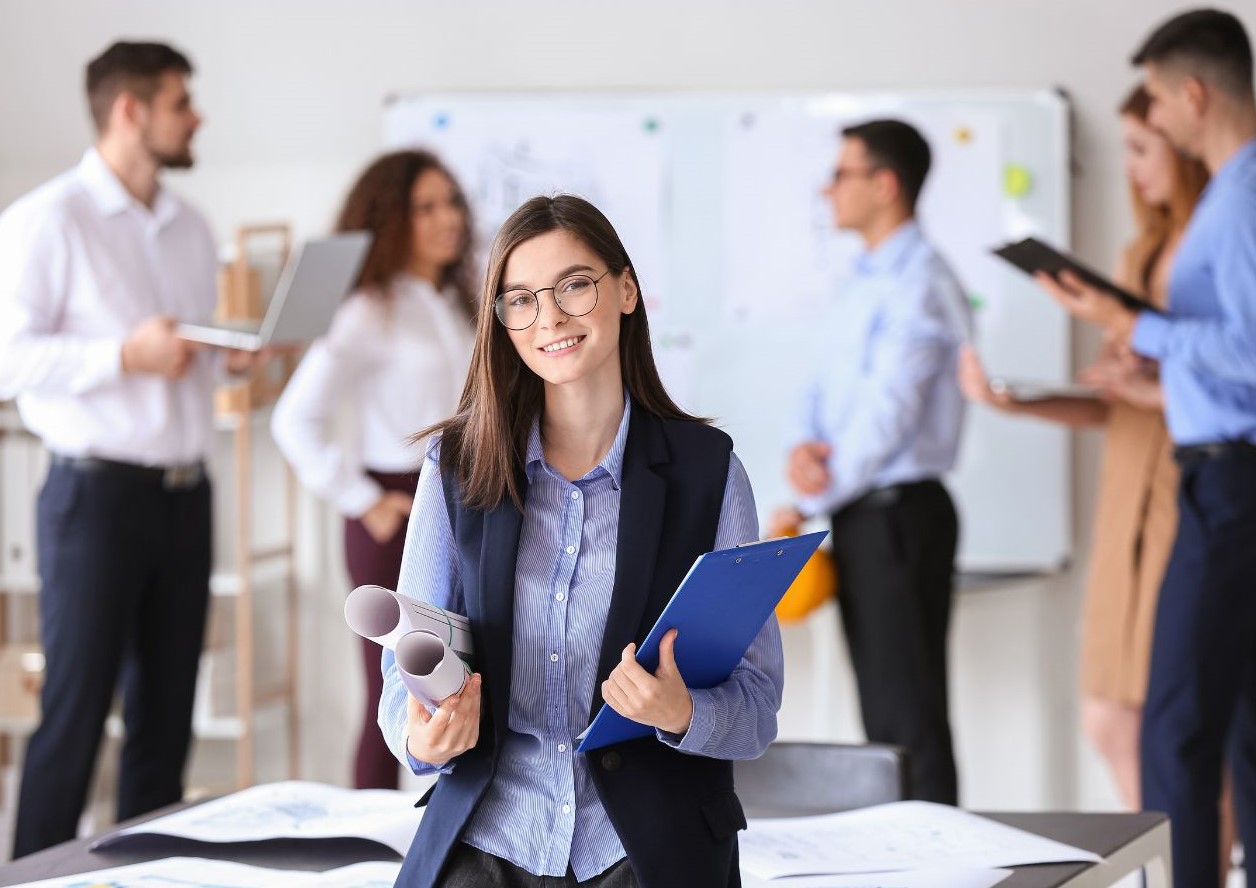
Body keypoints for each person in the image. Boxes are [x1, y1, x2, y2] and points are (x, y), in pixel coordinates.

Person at [378, 195, 783, 888]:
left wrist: (681, 714)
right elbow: (403, 681)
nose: (550, 318)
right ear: (501, 321)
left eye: (573, 285)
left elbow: (756, 705)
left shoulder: (708, 473)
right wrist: (421, 739)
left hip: (645, 853)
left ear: (626, 291)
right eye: (521, 299)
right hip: (489, 843)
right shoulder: (457, 468)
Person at [1037, 10, 1256, 886]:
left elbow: (1254, 352)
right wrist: (1153, 361)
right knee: (1252, 725)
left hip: (1236, 485)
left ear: (1192, 94)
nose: (1153, 117)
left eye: (1155, 98)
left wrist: (1134, 322)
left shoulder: (1250, 201)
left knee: (1178, 726)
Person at [0, 41, 255, 856]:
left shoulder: (191, 227)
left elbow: (181, 353)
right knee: (75, 712)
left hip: (186, 494)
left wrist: (226, 355)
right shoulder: (48, 220)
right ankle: (34, 877)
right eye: (182, 102)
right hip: (95, 499)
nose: (197, 116)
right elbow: (9, 359)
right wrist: (122, 355)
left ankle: (148, 875)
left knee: (166, 719)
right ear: (130, 111)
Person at [962, 83, 1208, 810]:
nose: (1131, 169)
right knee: (1110, 717)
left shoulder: (1211, 253)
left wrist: (1150, 381)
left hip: (1185, 491)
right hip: (1125, 499)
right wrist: (1014, 399)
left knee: (1182, 724)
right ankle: (1170, 856)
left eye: (1142, 149)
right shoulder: (1139, 255)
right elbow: (1118, 407)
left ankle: (1192, 861)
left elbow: (1232, 380)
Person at [775, 119, 970, 804]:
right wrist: (803, 452)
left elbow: (888, 416)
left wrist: (812, 495)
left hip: (899, 517)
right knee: (886, 718)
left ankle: (944, 873)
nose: (828, 189)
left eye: (842, 173)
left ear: (884, 185)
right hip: (863, 512)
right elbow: (823, 386)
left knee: (909, 719)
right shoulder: (863, 276)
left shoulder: (918, 281)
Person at [271, 149, 476, 790]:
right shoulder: (367, 309)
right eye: (426, 207)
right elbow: (293, 419)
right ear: (392, 218)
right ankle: (365, 856)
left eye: (452, 203)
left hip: (462, 505)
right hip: (395, 513)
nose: (449, 219)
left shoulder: (454, 304)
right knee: (393, 699)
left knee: (464, 691)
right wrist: (362, 498)